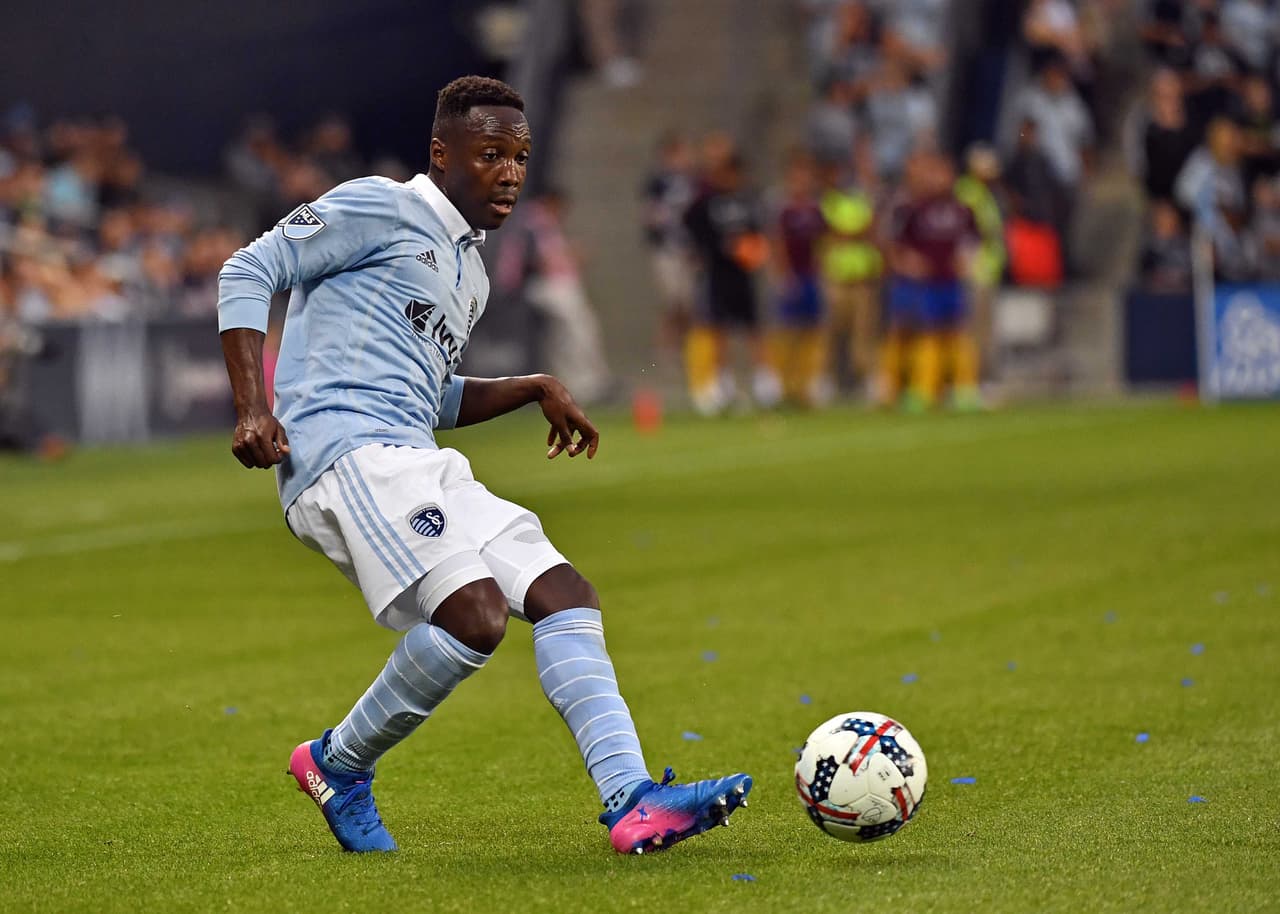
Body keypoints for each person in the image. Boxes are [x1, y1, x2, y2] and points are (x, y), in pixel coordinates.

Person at [216, 76, 751, 857]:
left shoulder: (471, 273)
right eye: (491, 154)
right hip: (343, 453)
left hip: (414, 454)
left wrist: (532, 387)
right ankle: (339, 763)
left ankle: (632, 799)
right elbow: (246, 270)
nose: (509, 173)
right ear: (442, 153)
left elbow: (427, 396)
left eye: (520, 158)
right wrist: (251, 407)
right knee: (474, 615)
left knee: (565, 595)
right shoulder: (378, 206)